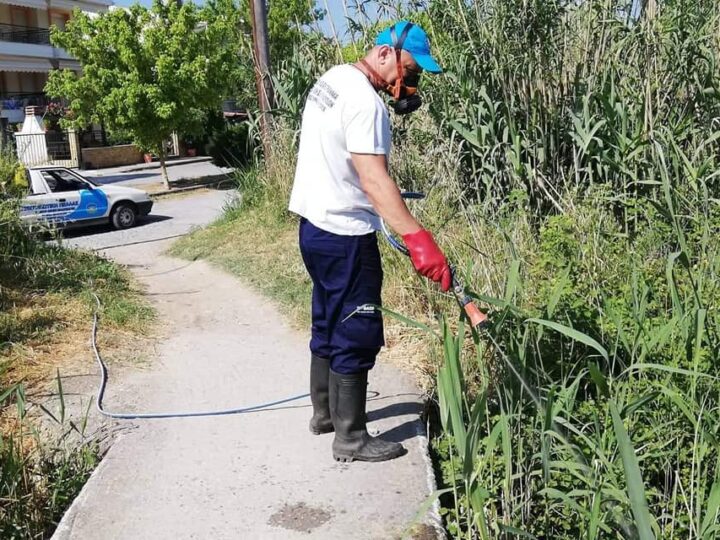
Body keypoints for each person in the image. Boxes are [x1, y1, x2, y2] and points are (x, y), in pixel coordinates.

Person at [288, 21, 451, 463]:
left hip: (313, 228)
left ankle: (324, 415)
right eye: (410, 71)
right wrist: (418, 237)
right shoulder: (368, 105)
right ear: (384, 55)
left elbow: (343, 161)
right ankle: (352, 437)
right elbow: (374, 179)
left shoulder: (333, 80)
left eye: (414, 78)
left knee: (326, 320)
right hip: (345, 235)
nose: (410, 85)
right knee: (356, 330)